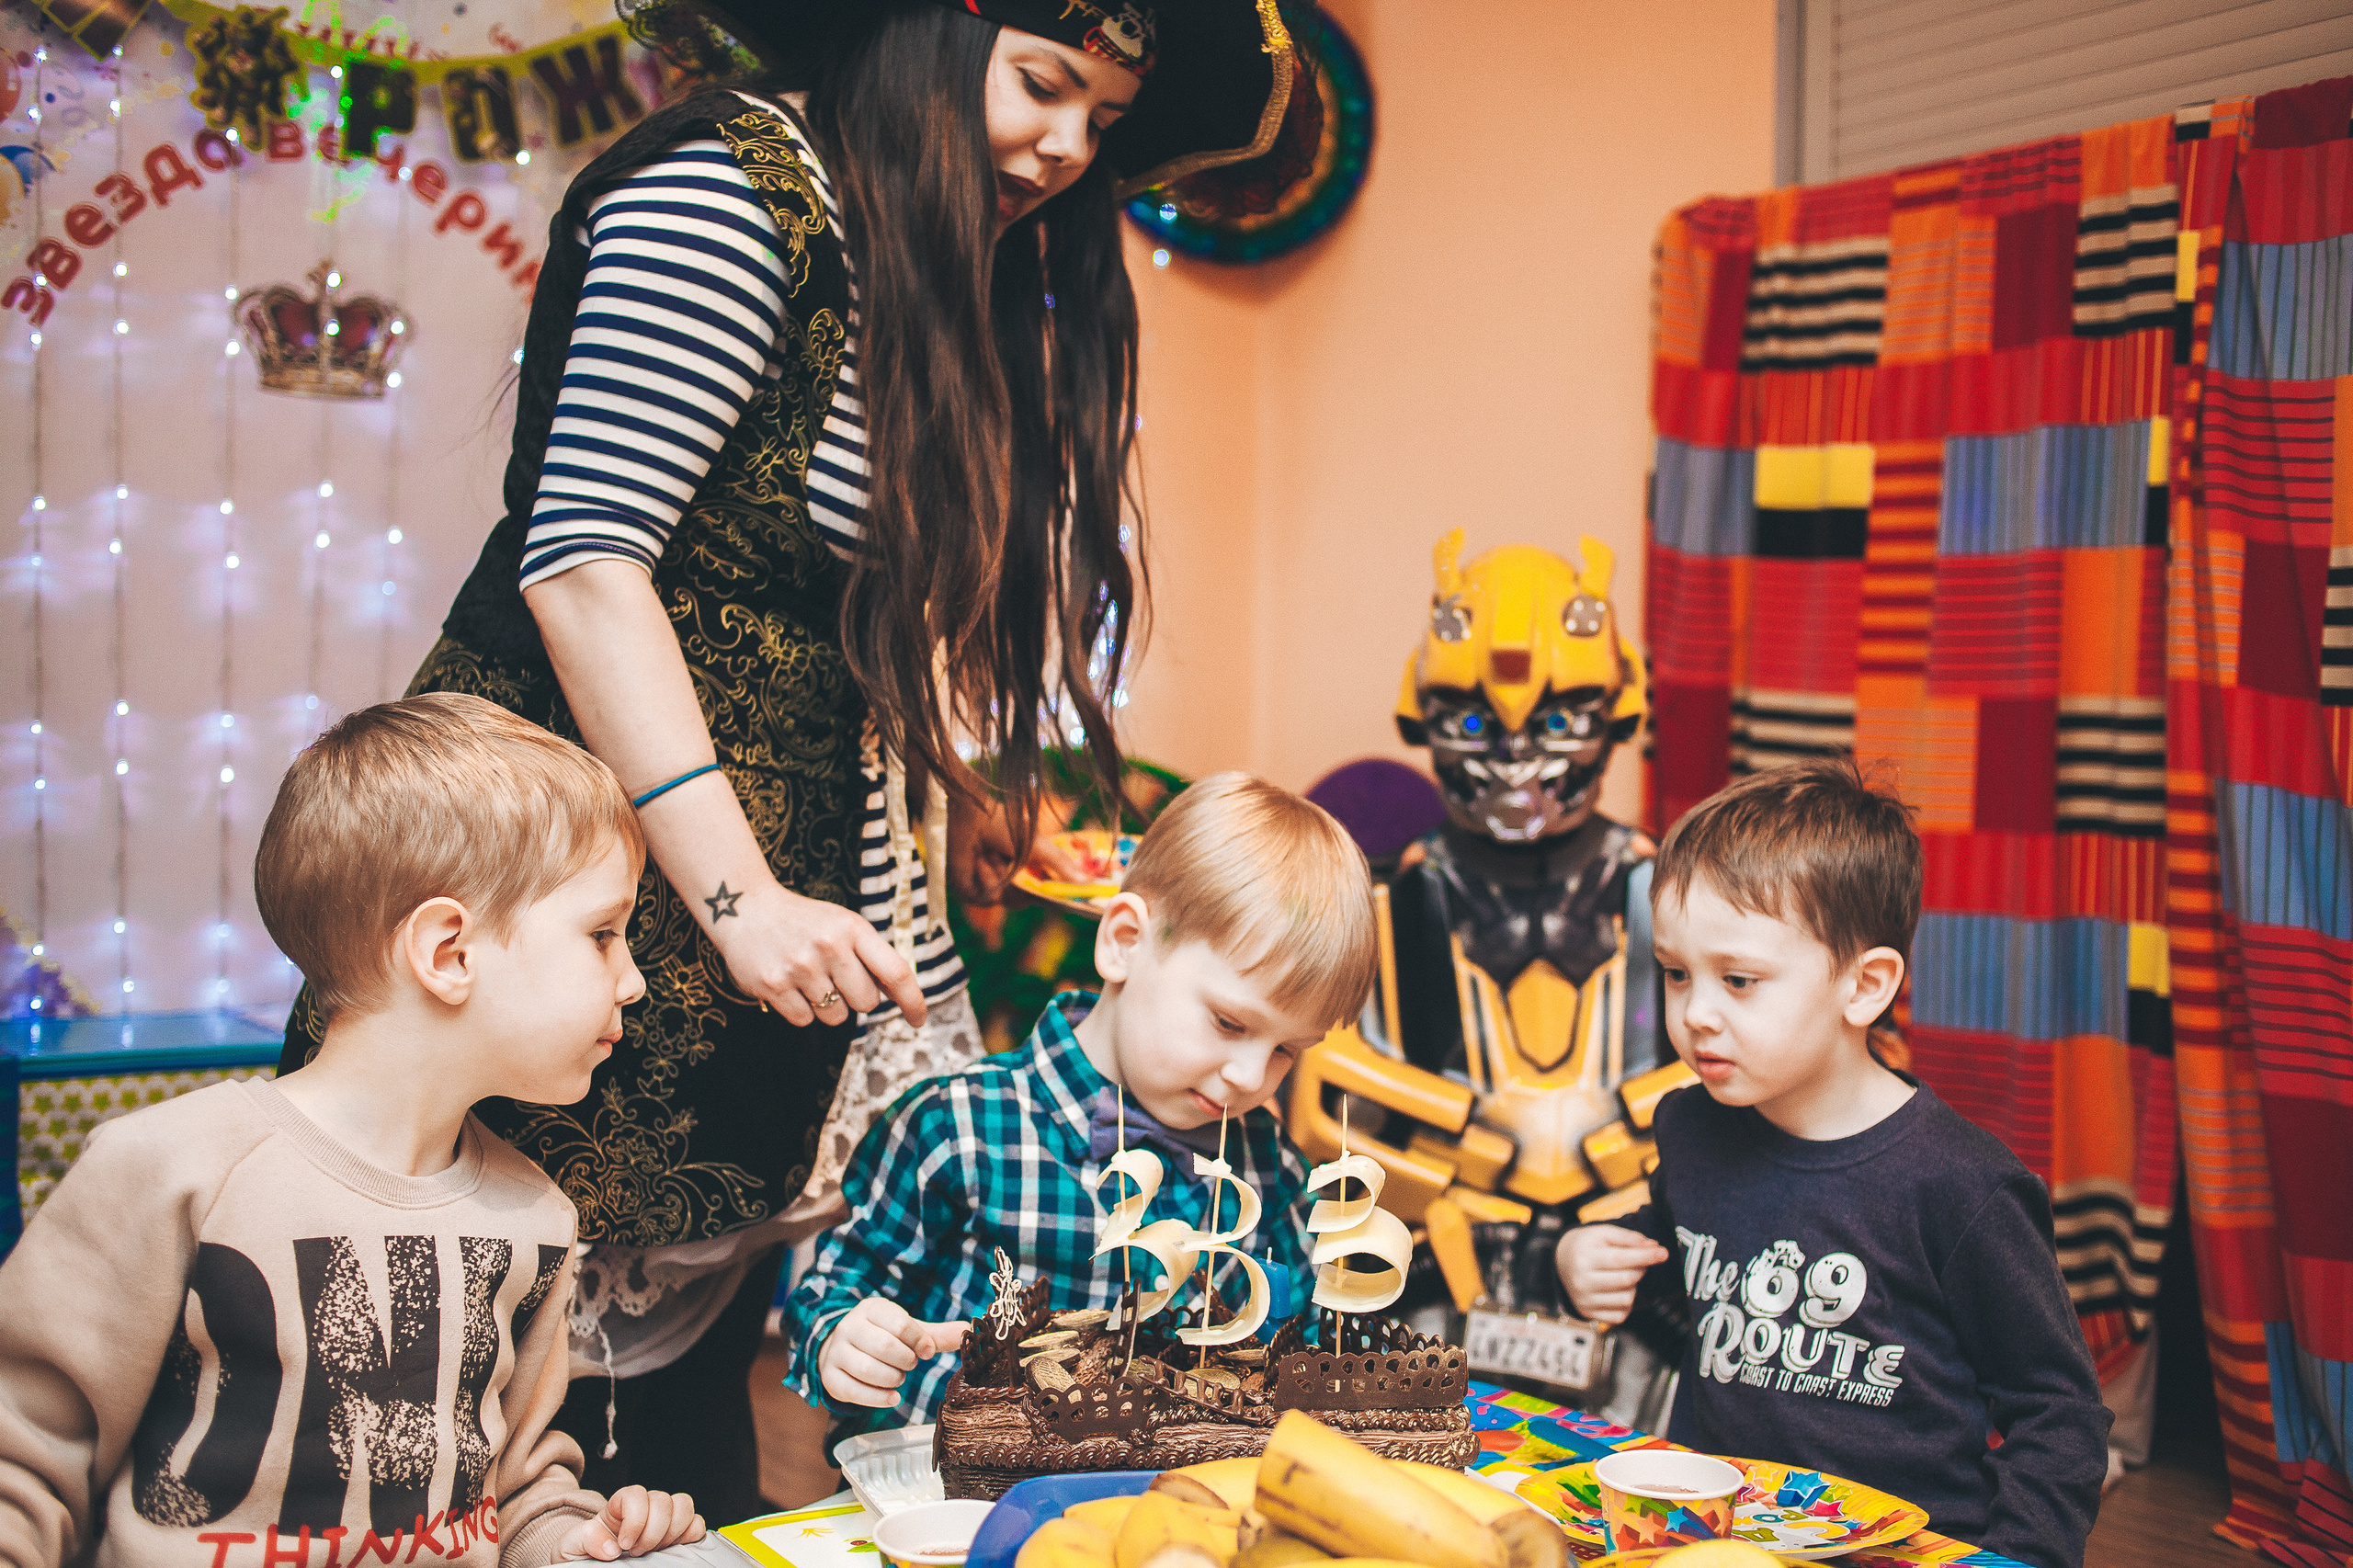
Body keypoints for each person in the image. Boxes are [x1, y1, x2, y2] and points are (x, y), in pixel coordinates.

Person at [272, 0, 1310, 1517]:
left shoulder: (919, 264)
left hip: (754, 942)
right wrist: (741, 895)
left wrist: (939, 791)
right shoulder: (728, 185)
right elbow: (586, 562)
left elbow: (831, 602)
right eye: (1043, 85)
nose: (1072, 146)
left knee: (663, 1448)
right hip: (574, 879)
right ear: (929, 42)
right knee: (426, 1419)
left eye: (1104, 120)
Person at [0, 695, 708, 1568]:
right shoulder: (169, 1170)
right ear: (449, 952)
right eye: (602, 934)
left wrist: (578, 1540)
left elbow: (515, 1495)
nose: (632, 981)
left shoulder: (538, 1219)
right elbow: (24, 1467)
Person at [1553, 759, 2109, 1568]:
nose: (1695, 1013)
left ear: (1864, 986)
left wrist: (2017, 1557)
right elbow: (1698, 1248)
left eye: (1738, 980)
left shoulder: (1962, 1185)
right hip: (1709, 1539)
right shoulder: (1691, 1126)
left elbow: (2058, 1409)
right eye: (1676, 974)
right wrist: (1591, 1256)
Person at [779, 774, 1377, 1434]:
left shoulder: (1270, 1169)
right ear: (1123, 942)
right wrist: (844, 1341)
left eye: (1287, 1051)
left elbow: (1317, 1344)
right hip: (944, 1509)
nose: (1250, 1075)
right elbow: (832, 1292)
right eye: (1230, 1025)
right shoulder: (958, 1129)